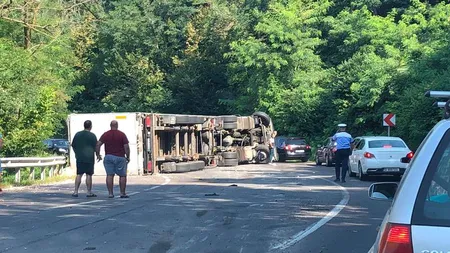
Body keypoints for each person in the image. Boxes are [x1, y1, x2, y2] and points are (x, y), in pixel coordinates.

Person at [96, 120, 130, 198]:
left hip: (108, 157)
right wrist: (127, 156)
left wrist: (98, 155)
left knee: (109, 175)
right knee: (122, 175)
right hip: (120, 157)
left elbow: (98, 144)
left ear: (110, 125)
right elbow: (126, 147)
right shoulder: (122, 134)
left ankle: (110, 193)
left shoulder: (106, 134)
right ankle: (122, 193)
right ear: (117, 125)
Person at [71, 120, 99, 197]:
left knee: (79, 174)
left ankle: (75, 191)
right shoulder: (92, 135)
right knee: (89, 175)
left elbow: (73, 145)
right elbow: (96, 147)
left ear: (84, 125)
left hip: (80, 157)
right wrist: (98, 155)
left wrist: (76, 153)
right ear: (90, 126)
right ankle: (89, 192)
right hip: (89, 158)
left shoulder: (77, 134)